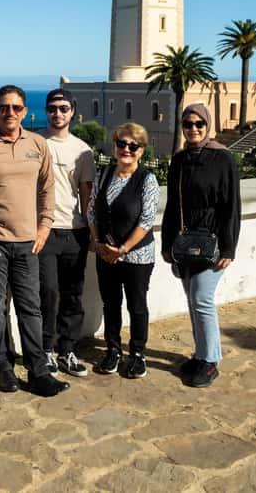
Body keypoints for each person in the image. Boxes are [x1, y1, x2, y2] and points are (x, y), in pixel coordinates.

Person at [0, 85, 70, 397]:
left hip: (28, 243)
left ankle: (38, 371)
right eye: (4, 107)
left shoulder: (37, 144)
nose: (10, 112)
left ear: (24, 111)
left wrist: (44, 227)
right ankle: (4, 367)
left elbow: (47, 188)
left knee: (31, 308)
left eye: (16, 107)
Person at [161, 102, 240, 388]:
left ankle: (210, 360)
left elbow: (232, 205)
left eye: (199, 124)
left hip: (213, 241)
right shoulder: (180, 160)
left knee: (202, 298)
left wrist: (229, 248)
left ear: (207, 125)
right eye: (187, 124)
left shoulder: (223, 159)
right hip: (185, 243)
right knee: (192, 299)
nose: (193, 129)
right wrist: (167, 243)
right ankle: (200, 354)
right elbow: (173, 205)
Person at [88, 122, 159, 379]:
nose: (126, 149)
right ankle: (113, 350)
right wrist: (98, 242)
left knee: (136, 305)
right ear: (115, 145)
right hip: (106, 253)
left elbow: (147, 220)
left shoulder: (147, 180)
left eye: (133, 145)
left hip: (137, 256)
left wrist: (123, 249)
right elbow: (92, 211)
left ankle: (138, 354)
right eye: (121, 143)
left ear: (141, 150)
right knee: (111, 303)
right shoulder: (104, 174)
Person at [38, 88, 95, 378]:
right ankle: (46, 349)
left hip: (74, 232)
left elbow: (86, 196)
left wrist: (93, 232)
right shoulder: (35, 142)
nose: (57, 113)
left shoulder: (83, 151)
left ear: (72, 111)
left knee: (72, 294)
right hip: (43, 231)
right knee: (47, 292)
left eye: (63, 108)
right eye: (52, 108)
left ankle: (67, 350)